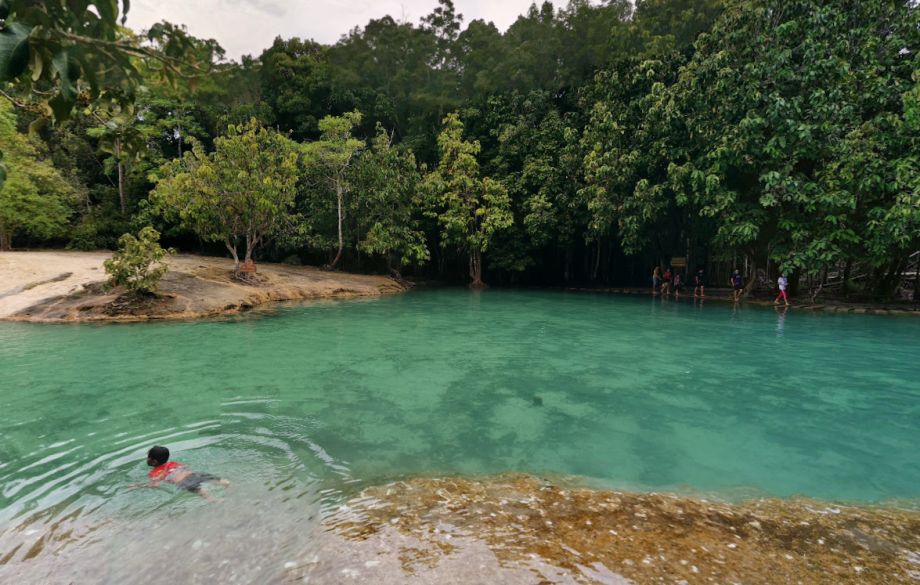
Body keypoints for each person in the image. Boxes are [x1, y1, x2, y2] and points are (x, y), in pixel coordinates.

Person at [129, 446, 229, 502]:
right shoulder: (173, 463)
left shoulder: (153, 472)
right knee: (211, 479)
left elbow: (155, 484)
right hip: (192, 474)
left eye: (148, 457)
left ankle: (212, 500)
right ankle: (226, 483)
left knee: (199, 490)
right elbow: (186, 466)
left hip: (183, 481)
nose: (147, 459)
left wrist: (138, 485)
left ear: (154, 462)